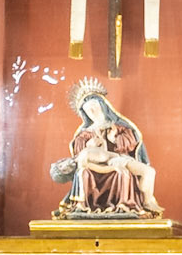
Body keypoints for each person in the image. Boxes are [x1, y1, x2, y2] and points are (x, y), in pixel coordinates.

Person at [52, 82, 161, 217]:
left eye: (94, 107)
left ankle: (145, 201)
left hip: (119, 160)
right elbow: (81, 154)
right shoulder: (84, 135)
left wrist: (114, 139)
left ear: (102, 106)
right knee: (92, 173)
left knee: (143, 172)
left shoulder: (119, 127)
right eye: (87, 110)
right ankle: (143, 202)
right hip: (107, 166)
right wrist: (89, 145)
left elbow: (131, 142)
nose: (92, 112)